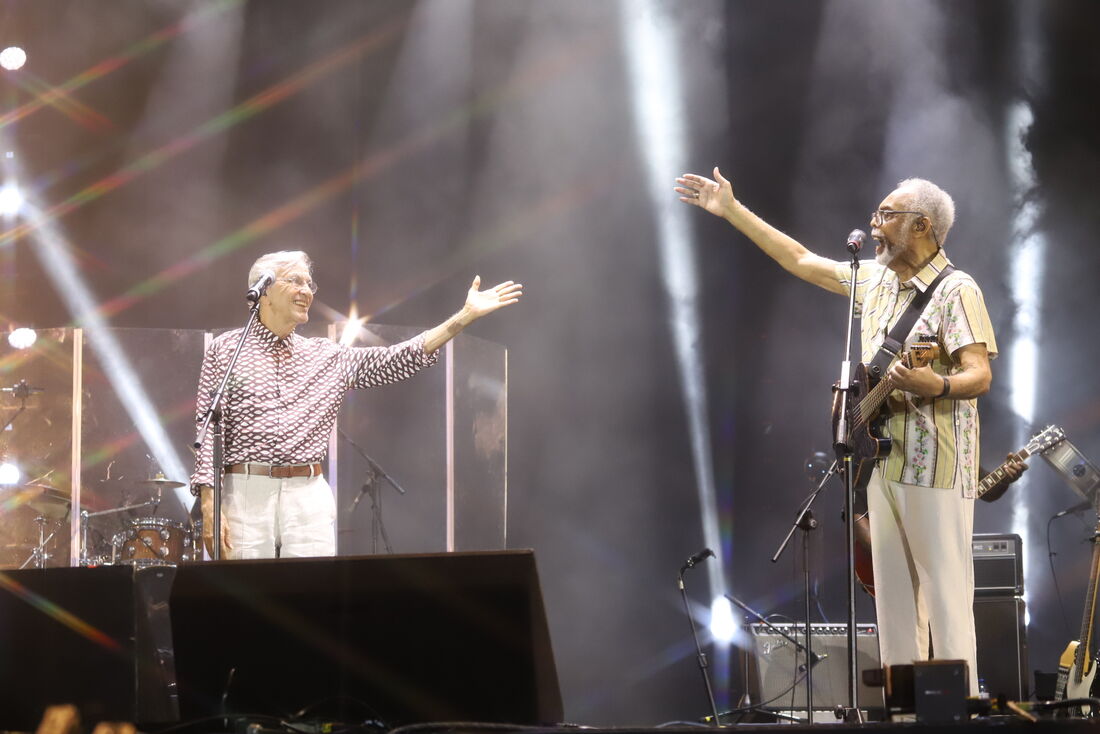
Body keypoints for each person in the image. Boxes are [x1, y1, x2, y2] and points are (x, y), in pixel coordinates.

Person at [676, 168, 995, 693]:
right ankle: (903, 711)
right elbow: (799, 260)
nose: (873, 224)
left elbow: (978, 373)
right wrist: (732, 210)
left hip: (936, 467)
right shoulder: (870, 279)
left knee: (947, 602)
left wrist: (931, 383)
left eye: (886, 215)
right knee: (894, 604)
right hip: (882, 464)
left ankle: (958, 710)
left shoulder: (956, 290)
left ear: (921, 225)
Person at [190, 250, 522, 560]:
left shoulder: (325, 355)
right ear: (263, 290)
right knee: (242, 605)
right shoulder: (225, 350)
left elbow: (395, 359)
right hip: (245, 492)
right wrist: (209, 503)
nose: (307, 290)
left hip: (307, 495)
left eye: (310, 283)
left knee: (311, 602)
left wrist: (462, 318)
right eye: (295, 281)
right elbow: (206, 427)